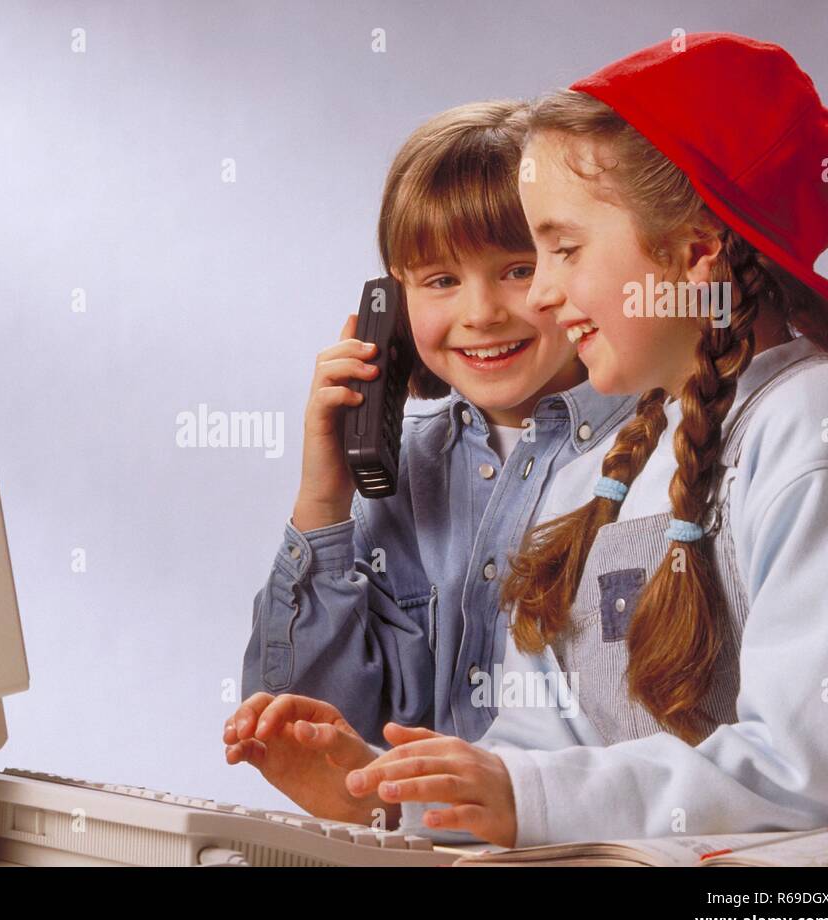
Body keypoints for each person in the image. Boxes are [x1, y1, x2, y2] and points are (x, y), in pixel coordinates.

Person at [345, 33, 828, 848]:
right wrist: (387, 798)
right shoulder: (596, 478)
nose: (546, 294)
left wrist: (524, 793)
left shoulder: (817, 426)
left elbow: (811, 774)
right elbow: (540, 759)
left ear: (696, 251)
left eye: (562, 248)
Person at [228, 100, 636, 828]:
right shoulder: (401, 472)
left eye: (516, 270)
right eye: (441, 280)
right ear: (391, 298)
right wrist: (323, 501)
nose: (480, 313)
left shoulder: (649, 457)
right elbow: (309, 738)